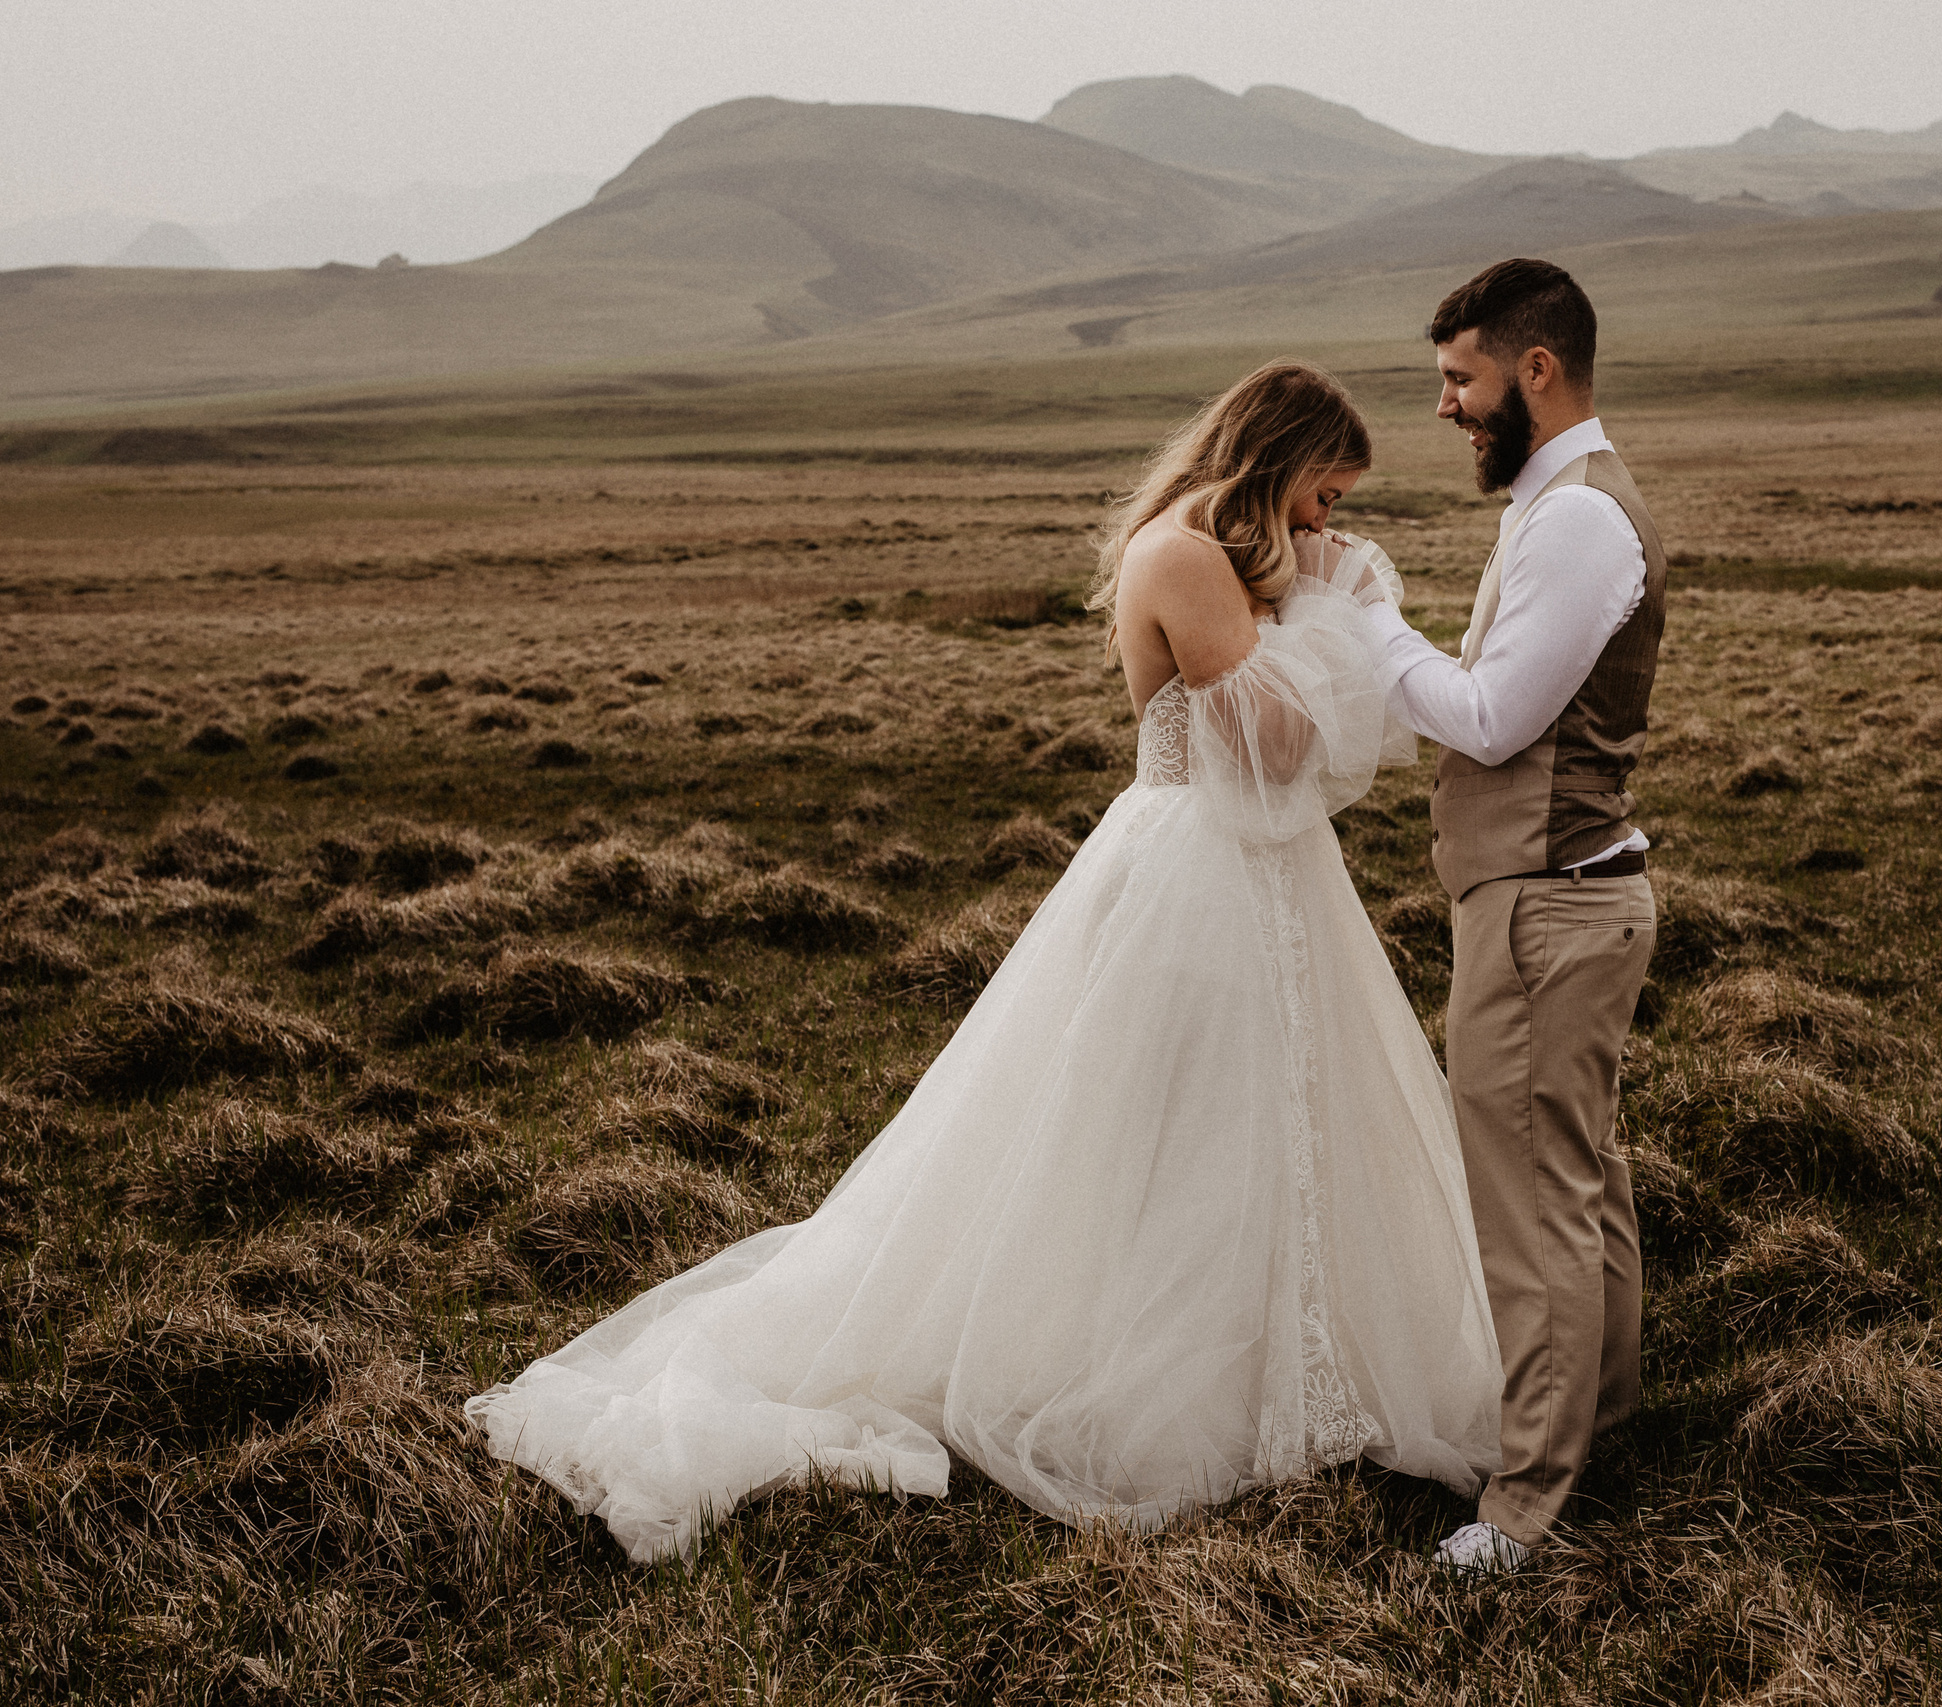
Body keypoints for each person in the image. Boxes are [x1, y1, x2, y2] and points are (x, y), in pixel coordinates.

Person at [465, 361, 1502, 1564]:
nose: (1328, 524)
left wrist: (1311, 597)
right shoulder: (1181, 556)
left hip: (1258, 880)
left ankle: (1293, 1356)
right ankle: (1164, 1374)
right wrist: (1340, 613)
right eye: (1322, 494)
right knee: (1172, 1125)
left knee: (1271, 1117)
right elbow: (1264, 743)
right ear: (1273, 466)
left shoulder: (1226, 556)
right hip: (1199, 875)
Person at [1363, 260, 1666, 1574]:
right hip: (1557, 902)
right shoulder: (1555, 502)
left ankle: (1528, 1505)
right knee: (1580, 1184)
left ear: (1536, 370)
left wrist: (1373, 623)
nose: (1446, 406)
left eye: (1461, 379)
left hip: (1549, 911)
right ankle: (1604, 1431)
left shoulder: (1582, 520)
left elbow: (1493, 717)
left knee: (1531, 1208)